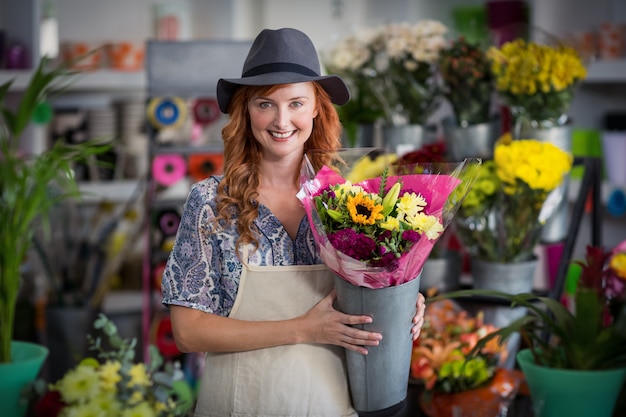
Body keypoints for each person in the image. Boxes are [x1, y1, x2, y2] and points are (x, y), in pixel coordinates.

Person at [161, 27, 426, 417]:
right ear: (246, 110)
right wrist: (304, 328)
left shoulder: (348, 202)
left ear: (317, 108)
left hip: (329, 404)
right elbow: (187, 332)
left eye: (296, 103)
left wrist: (400, 301)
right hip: (237, 406)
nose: (281, 120)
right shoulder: (212, 202)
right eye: (265, 104)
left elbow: (368, 301)